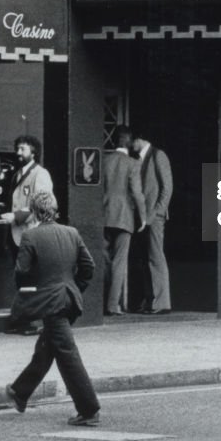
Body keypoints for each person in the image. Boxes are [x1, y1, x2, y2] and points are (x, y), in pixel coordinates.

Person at [5, 191, 101, 427]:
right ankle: (20, 391)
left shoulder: (30, 236)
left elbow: (21, 272)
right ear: (55, 210)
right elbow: (89, 266)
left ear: (35, 212)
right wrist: (74, 287)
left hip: (50, 302)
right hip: (69, 299)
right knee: (48, 347)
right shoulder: (72, 233)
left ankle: (89, 409)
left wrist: (33, 292)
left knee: (67, 353)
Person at [0, 134, 54, 335]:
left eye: (22, 149)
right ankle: (23, 319)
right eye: (18, 149)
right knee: (22, 278)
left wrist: (15, 217)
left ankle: (33, 321)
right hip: (17, 233)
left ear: (33, 152)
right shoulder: (17, 173)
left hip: (31, 233)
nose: (18, 153)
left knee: (30, 278)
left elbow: (41, 205)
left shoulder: (40, 174)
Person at [101, 125, 145, 316]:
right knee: (119, 262)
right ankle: (112, 305)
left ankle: (99, 304)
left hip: (103, 215)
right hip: (124, 217)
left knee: (103, 260)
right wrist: (142, 216)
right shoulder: (132, 164)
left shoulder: (104, 160)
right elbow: (137, 192)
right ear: (128, 142)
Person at [132, 131, 173, 314]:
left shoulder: (158, 155)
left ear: (140, 139)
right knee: (145, 259)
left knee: (156, 257)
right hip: (143, 217)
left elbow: (167, 187)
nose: (130, 144)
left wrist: (157, 212)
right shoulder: (139, 159)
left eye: (132, 140)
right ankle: (150, 300)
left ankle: (162, 302)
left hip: (154, 217)